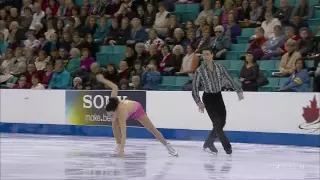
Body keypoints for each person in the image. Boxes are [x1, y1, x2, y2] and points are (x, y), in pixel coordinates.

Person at [90, 63, 178, 158]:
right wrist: (103, 80)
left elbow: (124, 133)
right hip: (126, 109)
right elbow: (114, 87)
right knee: (114, 123)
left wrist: (122, 151)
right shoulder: (112, 100)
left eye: (112, 115)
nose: (111, 117)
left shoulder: (121, 112)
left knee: (152, 129)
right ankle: (118, 145)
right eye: (109, 115)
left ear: (115, 111)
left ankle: (167, 145)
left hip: (136, 109)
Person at [192, 48, 244, 155]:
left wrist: (238, 91)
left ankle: (208, 143)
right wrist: (199, 102)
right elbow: (194, 87)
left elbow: (230, 79)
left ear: (212, 55)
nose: (205, 57)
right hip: (208, 98)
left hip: (218, 97)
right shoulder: (200, 70)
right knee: (217, 123)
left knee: (222, 122)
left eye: (207, 54)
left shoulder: (220, 67)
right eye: (203, 55)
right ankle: (227, 147)